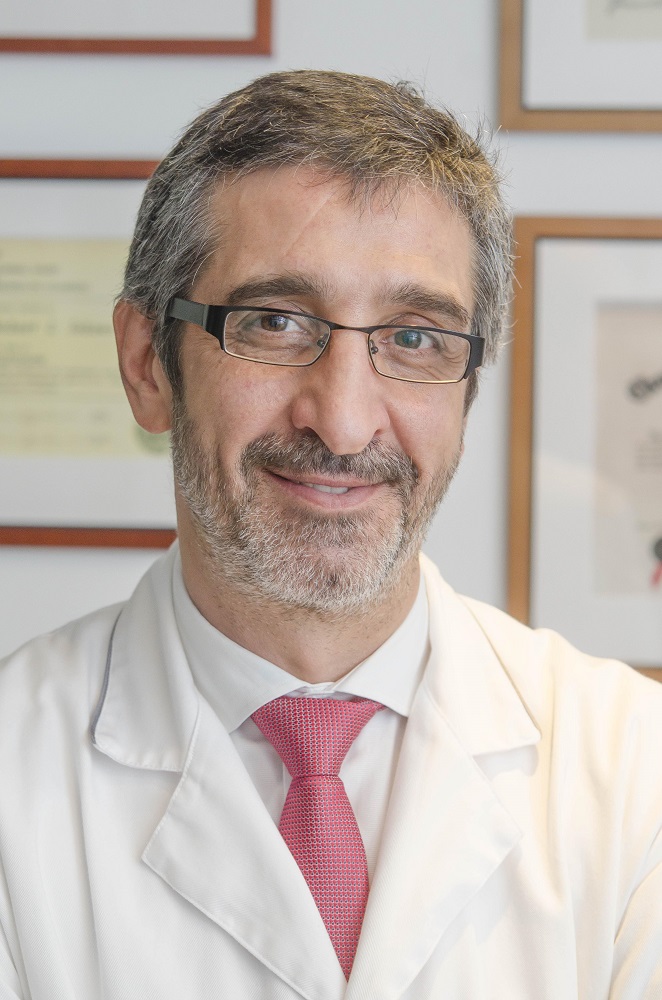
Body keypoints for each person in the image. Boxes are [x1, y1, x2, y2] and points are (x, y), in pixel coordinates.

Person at [0, 70, 661, 1000]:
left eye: (415, 338)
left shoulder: (635, 772)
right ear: (148, 365)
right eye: (274, 322)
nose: (345, 424)